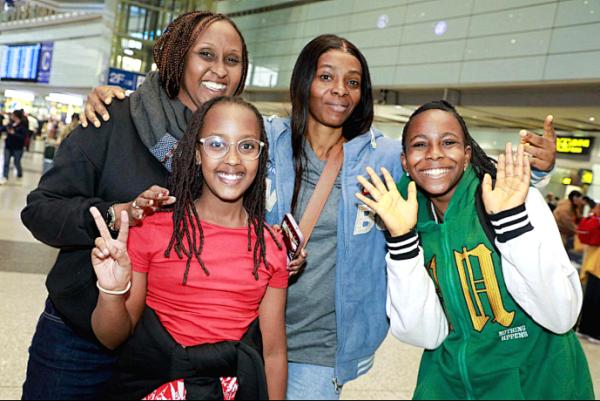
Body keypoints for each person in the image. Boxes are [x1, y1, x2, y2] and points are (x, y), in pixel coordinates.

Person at [82, 34, 558, 400]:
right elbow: (192, 137)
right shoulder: (263, 139)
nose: (340, 91)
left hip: (321, 344)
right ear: (304, 80)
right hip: (241, 332)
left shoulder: (382, 158)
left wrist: (535, 171)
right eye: (327, 76)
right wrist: (119, 104)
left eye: (353, 82)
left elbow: (442, 168)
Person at [20, 11, 252, 400]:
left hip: (168, 353)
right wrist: (114, 215)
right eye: (206, 54)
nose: (220, 70)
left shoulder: (231, 142)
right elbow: (41, 210)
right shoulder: (113, 118)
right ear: (177, 56)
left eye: (232, 60)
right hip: (79, 342)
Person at [356, 100, 594, 399]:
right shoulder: (404, 215)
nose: (434, 153)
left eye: (448, 142)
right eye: (420, 144)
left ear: (467, 154)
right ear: (405, 161)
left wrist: (511, 222)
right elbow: (424, 335)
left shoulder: (515, 200)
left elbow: (561, 316)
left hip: (536, 382)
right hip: (450, 383)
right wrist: (402, 241)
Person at [89, 96, 288, 399]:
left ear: (260, 156)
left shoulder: (270, 246)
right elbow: (111, 337)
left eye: (247, 146)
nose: (232, 159)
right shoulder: (152, 229)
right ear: (196, 153)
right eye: (216, 144)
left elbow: (273, 353)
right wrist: (112, 292)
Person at [578, 204, 600, 345]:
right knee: (596, 298)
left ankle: (584, 328)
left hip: (593, 263)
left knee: (590, 297)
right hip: (596, 264)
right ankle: (594, 332)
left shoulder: (593, 219)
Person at [1, 109, 28, 185]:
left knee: (17, 162)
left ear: (16, 116)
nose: (11, 116)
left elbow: (23, 137)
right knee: (6, 162)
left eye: (13, 115)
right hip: (8, 146)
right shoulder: (10, 123)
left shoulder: (23, 125)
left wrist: (14, 134)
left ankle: (19, 174)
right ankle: (5, 177)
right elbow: (3, 129)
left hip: (18, 147)